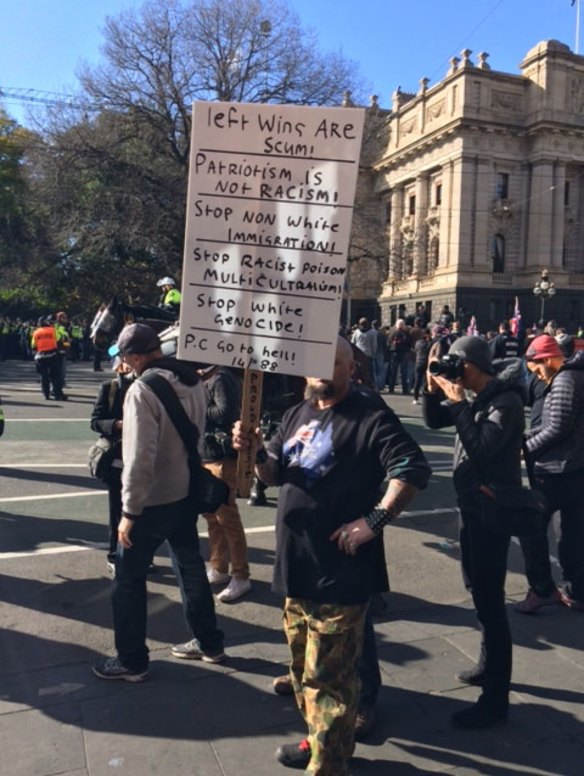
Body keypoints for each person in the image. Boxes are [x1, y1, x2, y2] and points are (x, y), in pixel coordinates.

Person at [234, 336, 431, 775]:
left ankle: (329, 765)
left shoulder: (369, 414)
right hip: (296, 568)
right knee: (305, 672)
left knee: (332, 684)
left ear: (350, 366)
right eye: (316, 362)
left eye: (334, 361)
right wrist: (255, 449)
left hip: (340, 576)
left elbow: (412, 468)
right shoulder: (295, 413)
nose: (323, 369)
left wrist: (372, 522)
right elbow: (273, 473)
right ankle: (320, 740)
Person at [93, 323, 224, 682]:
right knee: (190, 567)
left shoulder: (141, 391)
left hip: (152, 501)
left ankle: (132, 659)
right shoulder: (192, 380)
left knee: (129, 580)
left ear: (135, 356)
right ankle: (210, 642)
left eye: (125, 358)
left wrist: (128, 512)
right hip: (185, 492)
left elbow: (139, 459)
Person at [423, 336, 526, 728]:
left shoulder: (505, 402)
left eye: (456, 366)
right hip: (471, 506)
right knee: (478, 591)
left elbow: (481, 448)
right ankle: (487, 666)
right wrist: (434, 391)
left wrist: (459, 402)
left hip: (493, 511)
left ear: (474, 366)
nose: (453, 373)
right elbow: (435, 421)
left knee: (491, 600)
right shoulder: (477, 398)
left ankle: (495, 697)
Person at [517, 335, 584, 613]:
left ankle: (542, 588)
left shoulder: (566, 380)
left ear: (546, 359)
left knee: (529, 526)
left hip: (557, 471)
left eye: (538, 369)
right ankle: (577, 591)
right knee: (571, 533)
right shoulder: (571, 377)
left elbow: (557, 427)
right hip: (575, 468)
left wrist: (524, 449)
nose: (539, 377)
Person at [199, 365, 252, 604]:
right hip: (208, 455)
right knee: (213, 516)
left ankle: (240, 574)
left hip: (221, 457)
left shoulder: (220, 378)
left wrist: (199, 404)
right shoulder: (211, 376)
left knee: (227, 518)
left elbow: (225, 413)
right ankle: (219, 567)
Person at [90, 356, 136, 575]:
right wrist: (117, 424)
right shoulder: (109, 388)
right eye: (125, 360)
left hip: (139, 459)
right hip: (116, 460)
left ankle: (137, 555)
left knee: (140, 512)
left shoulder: (148, 386)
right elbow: (95, 421)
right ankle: (115, 556)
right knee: (118, 512)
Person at [31, 317, 66, 401]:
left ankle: (46, 394)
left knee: (44, 376)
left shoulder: (36, 332)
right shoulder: (52, 330)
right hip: (52, 354)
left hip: (40, 356)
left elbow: (33, 345)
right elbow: (58, 338)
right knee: (55, 376)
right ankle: (57, 394)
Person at [387, 318, 411, 394]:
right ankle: (405, 390)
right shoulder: (406, 333)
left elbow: (388, 343)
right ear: (403, 325)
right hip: (404, 353)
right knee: (404, 373)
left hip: (394, 353)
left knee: (393, 372)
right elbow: (409, 343)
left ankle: (391, 389)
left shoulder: (393, 333)